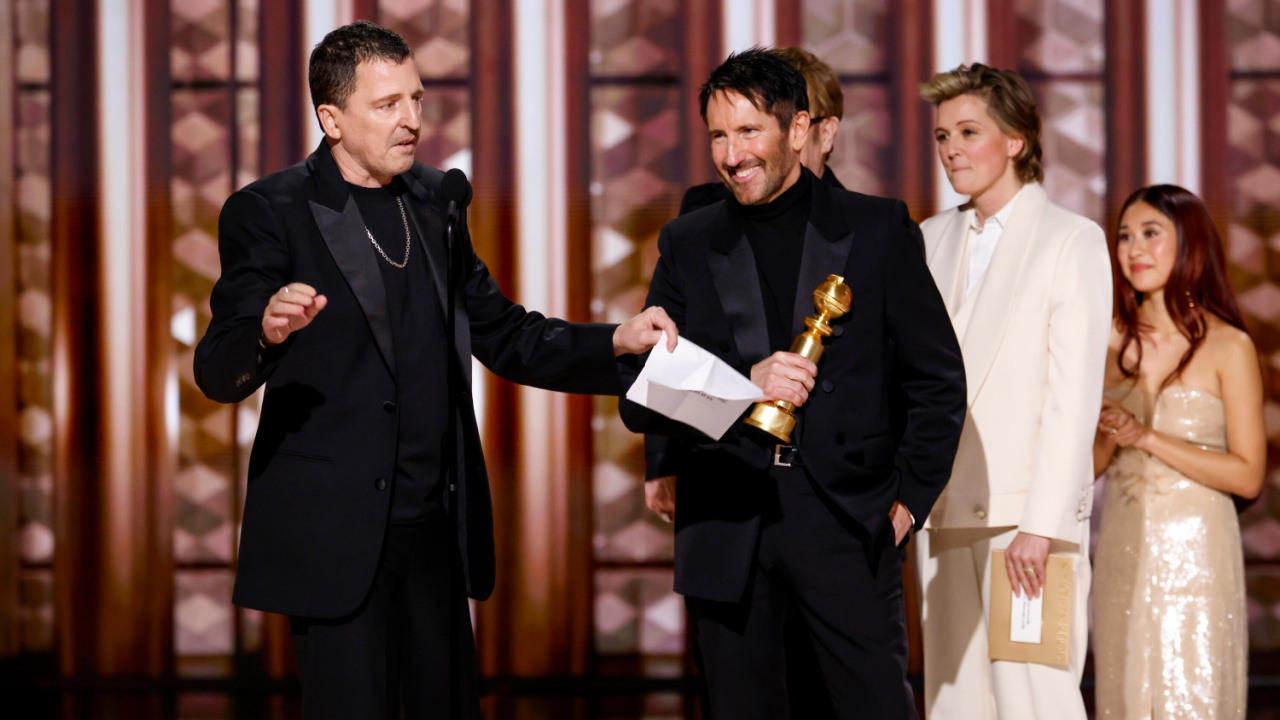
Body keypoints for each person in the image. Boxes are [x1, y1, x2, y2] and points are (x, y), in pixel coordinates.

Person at [193, 21, 675, 720]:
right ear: (331, 119)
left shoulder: (437, 203)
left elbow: (504, 333)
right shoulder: (271, 211)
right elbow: (216, 368)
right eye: (388, 105)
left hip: (434, 529)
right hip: (337, 537)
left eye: (417, 98)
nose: (413, 120)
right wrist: (266, 332)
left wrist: (618, 341)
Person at [621, 48, 967, 720]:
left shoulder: (877, 229)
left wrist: (906, 501)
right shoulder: (688, 240)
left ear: (800, 129)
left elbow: (936, 380)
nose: (731, 153)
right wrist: (743, 382)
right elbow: (645, 391)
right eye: (719, 136)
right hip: (726, 516)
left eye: (749, 131)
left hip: (846, 519)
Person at [913, 64, 1112, 720]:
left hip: (1026, 523)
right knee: (954, 702)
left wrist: (1044, 525)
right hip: (941, 512)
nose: (951, 150)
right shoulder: (928, 239)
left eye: (969, 132)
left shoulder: (1070, 240)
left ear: (1017, 139)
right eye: (943, 135)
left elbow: (1072, 398)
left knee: (1036, 702)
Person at [1091, 185, 1263, 719]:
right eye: (1123, 237)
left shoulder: (1228, 345)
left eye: (1150, 234)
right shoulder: (1110, 341)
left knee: (1192, 695)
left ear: (1188, 242)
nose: (1133, 250)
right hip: (1121, 544)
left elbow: (1249, 476)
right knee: (1124, 690)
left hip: (1198, 556)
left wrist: (1146, 436)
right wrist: (1102, 430)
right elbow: (1092, 467)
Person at [677, 46, 848, 215]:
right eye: (720, 135)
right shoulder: (701, 210)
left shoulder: (861, 225)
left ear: (826, 133)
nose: (733, 158)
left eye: (750, 130)